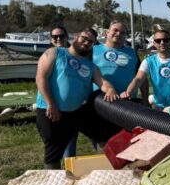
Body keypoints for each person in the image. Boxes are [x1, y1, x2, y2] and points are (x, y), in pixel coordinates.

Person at [35, 29, 118, 169]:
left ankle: (108, 167)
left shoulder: (91, 66)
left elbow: (102, 82)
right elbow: (40, 78)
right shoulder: (55, 53)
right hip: (50, 109)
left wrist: (110, 89)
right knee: (54, 150)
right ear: (75, 37)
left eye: (90, 42)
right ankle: (53, 181)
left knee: (102, 134)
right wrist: (51, 103)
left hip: (75, 112)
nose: (86, 43)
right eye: (84, 38)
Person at [121, 29, 170, 108]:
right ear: (154, 43)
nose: (162, 43)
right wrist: (128, 92)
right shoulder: (148, 61)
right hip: (161, 108)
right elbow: (138, 79)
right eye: (158, 41)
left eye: (165, 40)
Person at [46, 26, 77, 159]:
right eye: (55, 36)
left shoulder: (76, 54)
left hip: (72, 107)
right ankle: (56, 175)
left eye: (61, 36)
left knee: (70, 143)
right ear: (51, 39)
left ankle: (69, 170)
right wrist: (50, 103)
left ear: (66, 36)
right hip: (53, 105)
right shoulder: (48, 54)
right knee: (53, 145)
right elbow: (41, 79)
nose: (58, 39)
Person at [93, 20, 141, 97]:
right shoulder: (93, 50)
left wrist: (145, 99)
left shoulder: (133, 53)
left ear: (125, 36)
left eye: (122, 33)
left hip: (127, 102)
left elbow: (141, 78)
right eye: (115, 30)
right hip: (98, 100)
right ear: (107, 32)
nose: (118, 34)